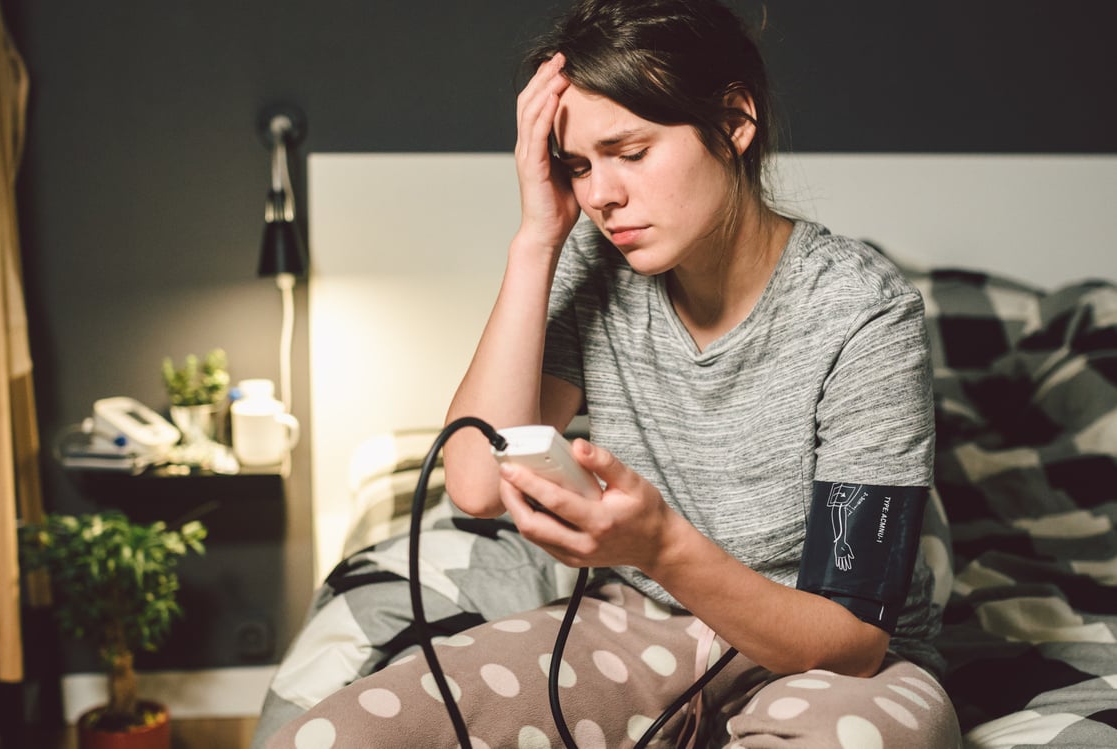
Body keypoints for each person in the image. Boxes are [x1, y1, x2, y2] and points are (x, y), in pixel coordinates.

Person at [265, 0, 962, 746]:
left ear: (733, 121)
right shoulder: (594, 264)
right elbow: (474, 480)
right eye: (577, 166)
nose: (601, 195)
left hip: (822, 662)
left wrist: (662, 545)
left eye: (629, 152)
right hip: (642, 626)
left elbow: (852, 639)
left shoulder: (864, 311)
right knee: (336, 733)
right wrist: (538, 237)